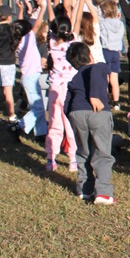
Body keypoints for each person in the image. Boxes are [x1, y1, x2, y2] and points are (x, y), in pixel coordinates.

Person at [65, 42, 116, 204]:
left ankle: (85, 189)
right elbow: (94, 70)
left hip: (76, 113)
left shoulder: (75, 77)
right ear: (90, 55)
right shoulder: (98, 67)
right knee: (102, 152)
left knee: (83, 152)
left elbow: (67, 101)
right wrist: (94, 95)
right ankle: (103, 192)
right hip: (97, 113)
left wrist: (71, 117)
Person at [10, 0, 48, 142]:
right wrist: (43, 7)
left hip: (30, 76)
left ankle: (40, 133)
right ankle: (18, 126)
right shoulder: (29, 39)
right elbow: (37, 24)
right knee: (38, 108)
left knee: (37, 105)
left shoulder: (18, 41)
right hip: (31, 77)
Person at [46, 14, 78, 172]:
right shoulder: (72, 43)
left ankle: (51, 158)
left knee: (54, 123)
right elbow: (76, 20)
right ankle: (73, 159)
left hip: (54, 88)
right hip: (68, 89)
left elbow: (53, 21)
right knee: (70, 124)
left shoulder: (51, 43)